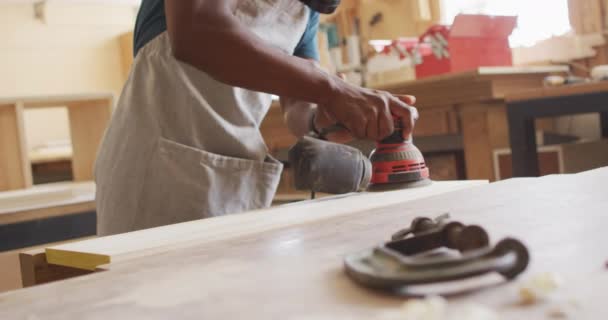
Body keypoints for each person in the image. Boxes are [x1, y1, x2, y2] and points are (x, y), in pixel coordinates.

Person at [94, 0, 418, 236]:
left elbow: (296, 109)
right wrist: (332, 90)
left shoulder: (308, 9)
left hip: (226, 178)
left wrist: (323, 117)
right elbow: (196, 30)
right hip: (155, 173)